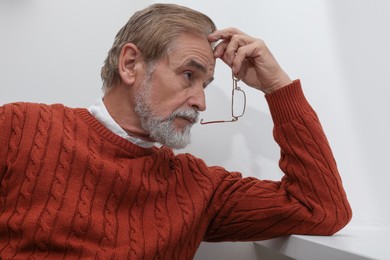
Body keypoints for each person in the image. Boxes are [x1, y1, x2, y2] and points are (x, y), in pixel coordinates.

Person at [0, 3, 352, 259]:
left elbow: (320, 209)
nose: (200, 102)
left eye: (206, 83)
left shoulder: (199, 188)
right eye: (189, 75)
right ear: (130, 64)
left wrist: (277, 87)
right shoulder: (20, 128)